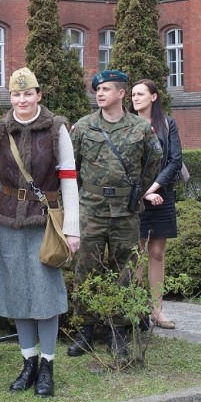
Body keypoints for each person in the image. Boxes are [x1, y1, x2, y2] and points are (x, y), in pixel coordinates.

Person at [0, 67, 80, 397]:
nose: (22, 99)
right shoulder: (0, 130)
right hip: (9, 221)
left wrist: (72, 229)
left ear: (39, 95)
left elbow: (69, 180)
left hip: (46, 223)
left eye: (28, 94)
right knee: (18, 294)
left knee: (45, 296)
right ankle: (27, 362)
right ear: (10, 97)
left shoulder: (57, 129)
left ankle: (47, 366)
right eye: (16, 94)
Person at [68, 70, 161, 358]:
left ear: (121, 94)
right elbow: (72, 168)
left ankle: (118, 332)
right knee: (85, 269)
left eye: (106, 89)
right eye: (97, 89)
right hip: (91, 210)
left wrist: (136, 191)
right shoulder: (83, 127)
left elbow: (153, 161)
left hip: (125, 211)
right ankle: (85, 329)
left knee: (125, 271)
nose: (99, 93)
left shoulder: (140, 128)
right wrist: (86, 195)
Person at [130, 78, 182, 330]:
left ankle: (157, 310)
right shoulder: (126, 125)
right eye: (132, 94)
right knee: (137, 254)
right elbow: (124, 167)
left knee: (157, 254)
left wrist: (154, 189)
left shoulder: (167, 124)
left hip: (162, 195)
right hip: (134, 197)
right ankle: (138, 308)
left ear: (154, 97)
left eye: (140, 94)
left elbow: (175, 161)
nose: (135, 98)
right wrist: (142, 194)